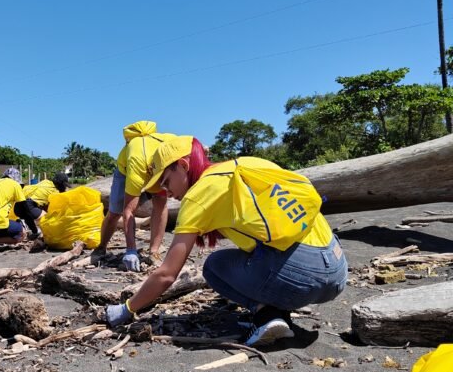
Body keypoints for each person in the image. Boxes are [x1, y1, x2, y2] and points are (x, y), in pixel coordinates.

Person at [105, 135, 348, 347]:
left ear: (182, 165)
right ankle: (272, 310)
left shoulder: (199, 196)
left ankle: (265, 315)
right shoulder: (246, 164)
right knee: (255, 252)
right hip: (337, 268)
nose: (165, 192)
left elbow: (167, 274)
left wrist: (127, 309)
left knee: (214, 267)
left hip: (306, 277)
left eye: (165, 181)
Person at [91, 121, 175, 271]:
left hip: (156, 167)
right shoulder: (137, 162)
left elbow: (192, 144)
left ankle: (154, 251)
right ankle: (101, 247)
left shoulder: (171, 148)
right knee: (115, 211)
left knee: (161, 203)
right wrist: (131, 250)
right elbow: (129, 211)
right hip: (126, 171)